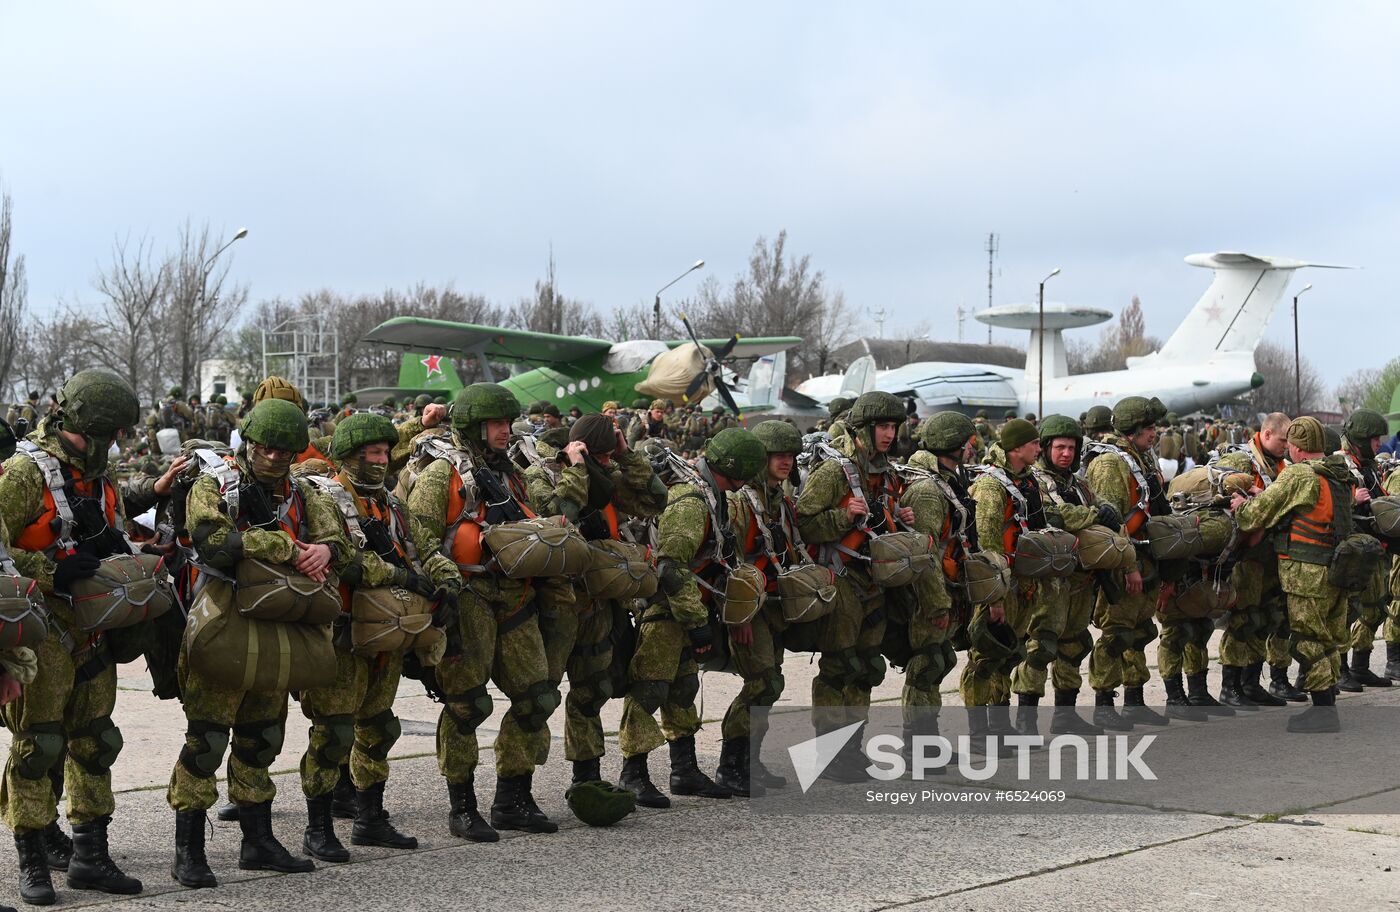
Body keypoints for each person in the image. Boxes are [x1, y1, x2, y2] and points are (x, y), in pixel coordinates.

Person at [168, 397, 352, 888]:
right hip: (226, 619)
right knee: (207, 739)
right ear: (248, 442)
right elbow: (212, 540)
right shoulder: (215, 484)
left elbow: (342, 540)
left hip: (282, 622)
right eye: (266, 447)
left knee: (262, 736)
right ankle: (189, 848)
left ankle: (258, 839)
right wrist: (288, 546)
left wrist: (325, 549)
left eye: (284, 451)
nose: (273, 457)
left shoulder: (305, 492)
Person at [0, 370, 168, 904]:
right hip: (42, 626)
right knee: (38, 745)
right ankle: (32, 860)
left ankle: (91, 856)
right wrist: (53, 568)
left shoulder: (100, 475)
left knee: (96, 742)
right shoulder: (24, 473)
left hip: (94, 630)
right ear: (74, 423)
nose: (110, 445)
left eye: (117, 435)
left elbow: (113, 529)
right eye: (103, 435)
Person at [405, 383, 570, 841]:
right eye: (496, 424)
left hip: (515, 597)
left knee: (537, 697)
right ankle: (462, 805)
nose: (505, 431)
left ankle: (513, 797)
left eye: (508, 422)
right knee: (467, 704)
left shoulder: (514, 474)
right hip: (469, 596)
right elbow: (418, 537)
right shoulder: (442, 474)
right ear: (475, 428)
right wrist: (446, 579)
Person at [295, 413, 461, 862]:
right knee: (332, 732)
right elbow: (344, 559)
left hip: (388, 634)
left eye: (386, 453)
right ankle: (318, 826)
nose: (381, 460)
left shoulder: (391, 503)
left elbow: (424, 547)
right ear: (348, 457)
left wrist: (446, 581)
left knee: (379, 727)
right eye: (372, 453)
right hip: (344, 633)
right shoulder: (324, 496)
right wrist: (402, 574)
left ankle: (370, 817)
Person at [617, 429, 766, 806]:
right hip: (667, 610)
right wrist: (696, 620)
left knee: (683, 688)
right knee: (649, 689)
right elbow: (670, 566)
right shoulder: (691, 502)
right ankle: (632, 773)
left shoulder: (712, 497)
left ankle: (683, 769)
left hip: (687, 608)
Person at [523, 414, 666, 789]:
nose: (605, 463)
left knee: (592, 691)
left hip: (598, 603)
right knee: (539, 698)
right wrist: (577, 469)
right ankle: (514, 790)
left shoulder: (607, 477)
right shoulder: (543, 476)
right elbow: (559, 522)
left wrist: (624, 454)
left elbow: (657, 498)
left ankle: (586, 779)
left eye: (607, 456)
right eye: (599, 456)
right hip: (556, 604)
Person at [796, 392, 911, 777]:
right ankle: (829, 751)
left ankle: (852, 746)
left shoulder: (886, 471)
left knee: (867, 666)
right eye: (883, 426)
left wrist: (899, 514)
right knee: (838, 666)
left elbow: (880, 517)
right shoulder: (834, 472)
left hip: (874, 580)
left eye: (893, 427)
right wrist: (842, 516)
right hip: (842, 575)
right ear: (863, 428)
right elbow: (804, 522)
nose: (889, 434)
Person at [1231, 417, 1357, 733]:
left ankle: (1324, 712)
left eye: (1290, 446)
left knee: (1306, 639)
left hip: (1306, 573)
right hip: (1337, 569)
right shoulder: (1340, 473)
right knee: (1327, 639)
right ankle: (1328, 703)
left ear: (1297, 448)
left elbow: (1255, 516)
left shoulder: (1298, 475)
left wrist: (1240, 505)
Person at [717, 420, 808, 796]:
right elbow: (731, 561)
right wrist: (740, 615)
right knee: (761, 684)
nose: (786, 461)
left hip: (774, 606)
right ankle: (730, 765)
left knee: (771, 685)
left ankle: (750, 761)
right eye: (778, 455)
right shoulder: (740, 502)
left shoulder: (781, 500)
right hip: (750, 609)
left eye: (790, 455)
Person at [1084, 397, 1171, 729]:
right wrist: (1127, 566)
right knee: (1115, 633)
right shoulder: (1110, 464)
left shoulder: (1140, 458)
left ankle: (1134, 700)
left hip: (1146, 556)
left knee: (1140, 631)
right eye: (1149, 428)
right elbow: (1110, 523)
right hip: (1124, 560)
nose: (1154, 433)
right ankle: (1104, 703)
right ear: (1133, 430)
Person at [1213, 412, 1298, 705]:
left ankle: (1251, 682)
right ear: (1266, 434)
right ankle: (1230, 685)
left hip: (1270, 554)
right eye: (1282, 440)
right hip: (1246, 556)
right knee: (1243, 620)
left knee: (1265, 618)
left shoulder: (1280, 465)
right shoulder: (1242, 461)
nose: (1286, 446)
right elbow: (1226, 499)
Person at [1337, 409, 1395, 689]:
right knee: (1348, 611)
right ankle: (1340, 667)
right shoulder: (1339, 465)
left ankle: (1361, 664)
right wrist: (1350, 498)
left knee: (1375, 608)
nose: (1378, 445)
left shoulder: (1369, 467)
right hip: (1351, 550)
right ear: (1360, 438)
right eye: (1374, 439)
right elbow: (1323, 506)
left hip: (1372, 548)